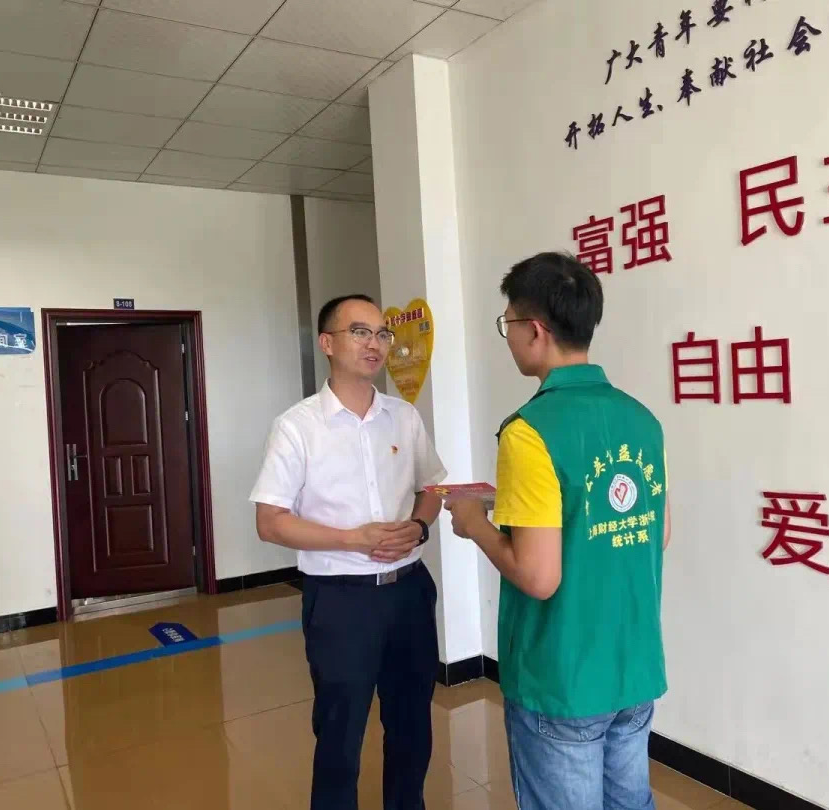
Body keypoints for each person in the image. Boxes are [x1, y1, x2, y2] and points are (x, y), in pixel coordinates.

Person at [448, 252, 671, 810]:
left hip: (563, 674)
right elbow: (656, 531)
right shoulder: (641, 419)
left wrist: (474, 523)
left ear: (535, 329)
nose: (508, 337)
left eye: (508, 324)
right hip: (633, 664)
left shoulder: (529, 431)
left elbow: (539, 576)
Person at [250, 294, 446, 810]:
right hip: (340, 600)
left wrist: (419, 526)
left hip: (408, 593)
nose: (374, 344)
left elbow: (432, 487)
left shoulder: (403, 417)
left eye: (382, 333)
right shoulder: (297, 426)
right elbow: (270, 522)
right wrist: (351, 539)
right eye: (360, 332)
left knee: (412, 722)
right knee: (340, 730)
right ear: (327, 343)